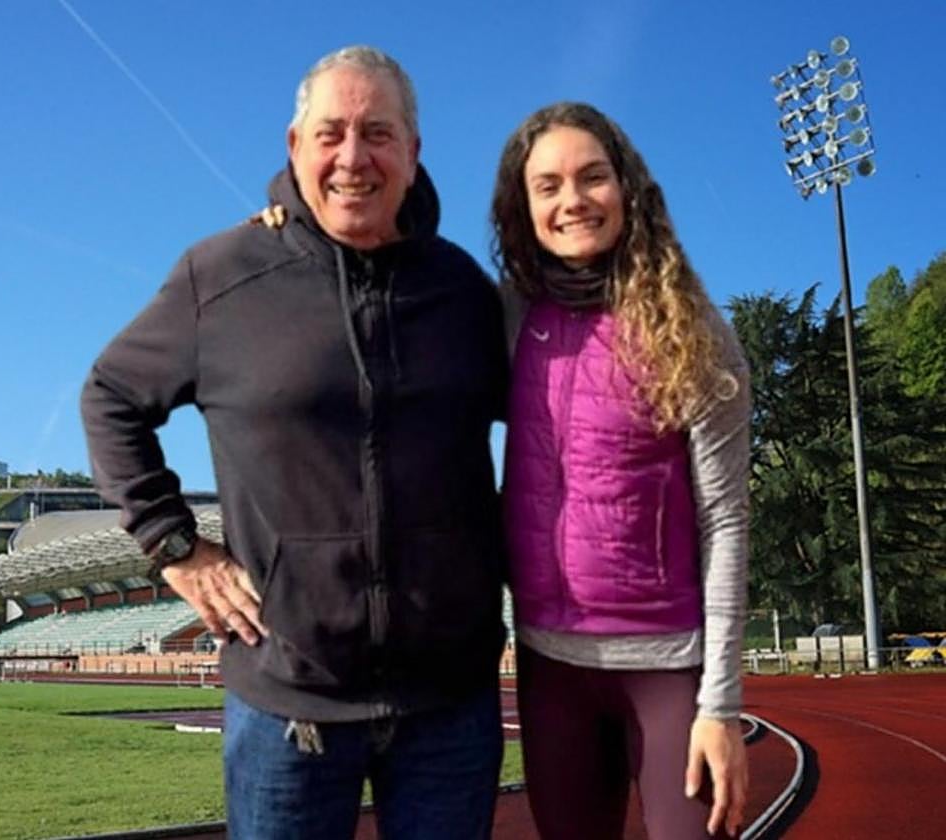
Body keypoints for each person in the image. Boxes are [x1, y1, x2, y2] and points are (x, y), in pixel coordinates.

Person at [81, 45, 508, 840]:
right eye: (331, 133)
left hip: (450, 704)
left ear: (413, 154)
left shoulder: (464, 294)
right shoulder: (224, 274)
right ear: (294, 147)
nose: (354, 157)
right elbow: (109, 396)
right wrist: (174, 544)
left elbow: (562, 427)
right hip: (286, 702)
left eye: (379, 133)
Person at [491, 102, 751, 839]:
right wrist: (289, 231)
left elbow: (725, 520)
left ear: (628, 188)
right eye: (548, 185)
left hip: (667, 671)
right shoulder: (510, 316)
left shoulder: (693, 330)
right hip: (548, 668)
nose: (572, 200)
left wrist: (721, 706)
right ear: (524, 206)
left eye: (592, 177)